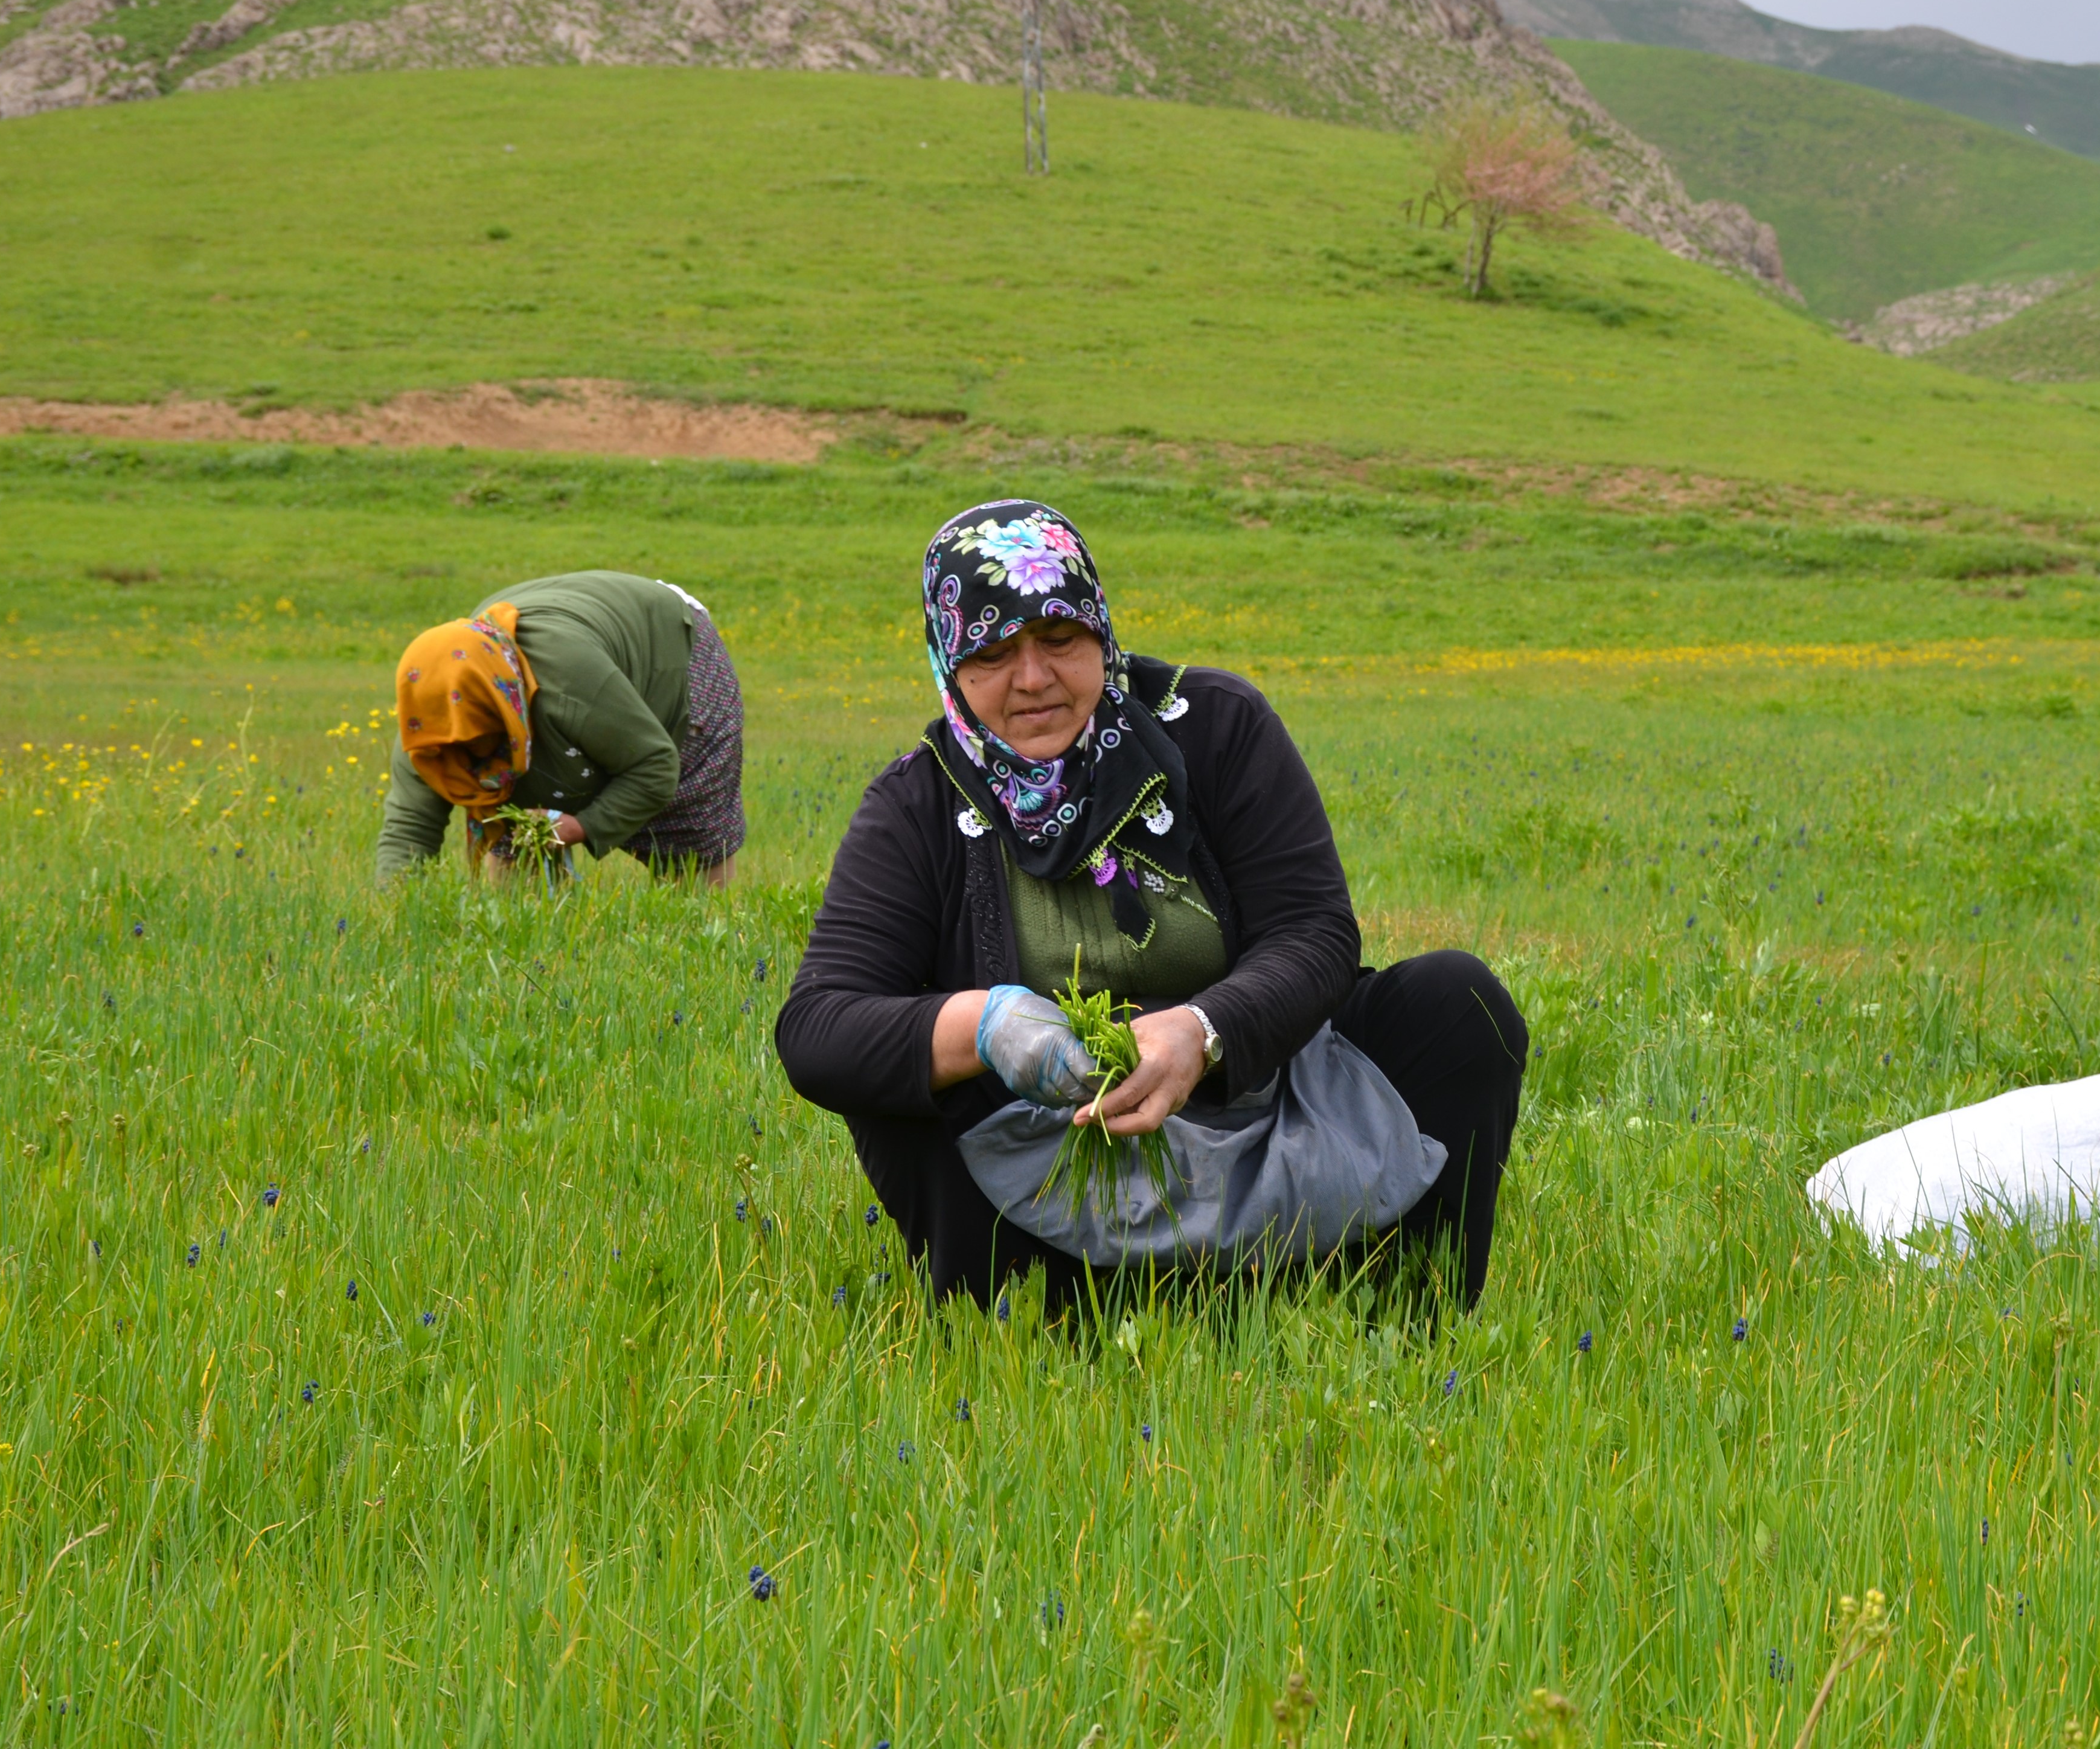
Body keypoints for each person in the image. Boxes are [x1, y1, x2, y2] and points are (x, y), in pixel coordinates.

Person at [775, 499, 1527, 1313]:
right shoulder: (916, 806)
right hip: (1058, 1156)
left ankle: (1399, 1313)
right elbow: (817, 1027)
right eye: (992, 653)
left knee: (1459, 1005)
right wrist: (985, 1026)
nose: (1033, 679)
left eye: (1059, 639)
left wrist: (1205, 1033)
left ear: (1100, 630)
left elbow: (1314, 936)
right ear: (948, 664)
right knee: (909, 1067)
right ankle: (1051, 1327)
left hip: (1261, 1105)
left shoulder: (1212, 727)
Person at [377, 570, 746, 883]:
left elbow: (655, 766)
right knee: (515, 828)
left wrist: (583, 826)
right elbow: (410, 826)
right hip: (574, 652)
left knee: (690, 836)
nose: (473, 756)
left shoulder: (570, 687)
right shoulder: (433, 726)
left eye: (485, 742)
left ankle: (691, 940)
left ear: (510, 703)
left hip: (667, 649)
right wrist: (400, 913)